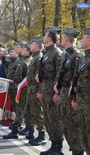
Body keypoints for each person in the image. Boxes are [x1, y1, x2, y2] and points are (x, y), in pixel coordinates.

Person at [54, 28, 84, 155]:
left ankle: (78, 151)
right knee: (66, 124)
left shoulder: (77, 56)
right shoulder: (66, 54)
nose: (61, 40)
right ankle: (73, 150)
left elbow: (78, 77)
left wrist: (74, 98)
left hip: (70, 95)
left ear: (67, 39)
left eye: (62, 38)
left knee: (73, 126)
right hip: (64, 93)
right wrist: (57, 89)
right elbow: (61, 73)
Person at [37, 26, 64, 155]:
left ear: (49, 38)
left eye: (45, 35)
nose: (43, 37)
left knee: (54, 119)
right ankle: (53, 144)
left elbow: (59, 73)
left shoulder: (57, 53)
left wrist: (57, 92)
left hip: (52, 92)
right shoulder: (47, 53)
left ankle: (58, 147)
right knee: (47, 119)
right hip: (45, 90)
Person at [3, 43, 32, 139]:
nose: (19, 50)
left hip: (21, 89)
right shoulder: (23, 61)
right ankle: (30, 131)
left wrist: (15, 83)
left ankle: (15, 131)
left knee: (20, 110)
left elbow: (18, 77)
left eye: (20, 48)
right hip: (22, 88)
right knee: (25, 110)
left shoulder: (23, 62)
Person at [27, 37, 47, 146]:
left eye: (32, 44)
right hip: (31, 89)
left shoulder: (39, 58)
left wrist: (40, 91)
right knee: (34, 112)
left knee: (38, 113)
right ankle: (34, 133)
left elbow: (40, 77)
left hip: (36, 89)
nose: (30, 45)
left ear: (37, 46)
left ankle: (42, 135)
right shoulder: (34, 57)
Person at [75, 28, 90, 155]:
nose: (81, 40)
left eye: (83, 38)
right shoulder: (84, 58)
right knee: (84, 133)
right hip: (82, 101)